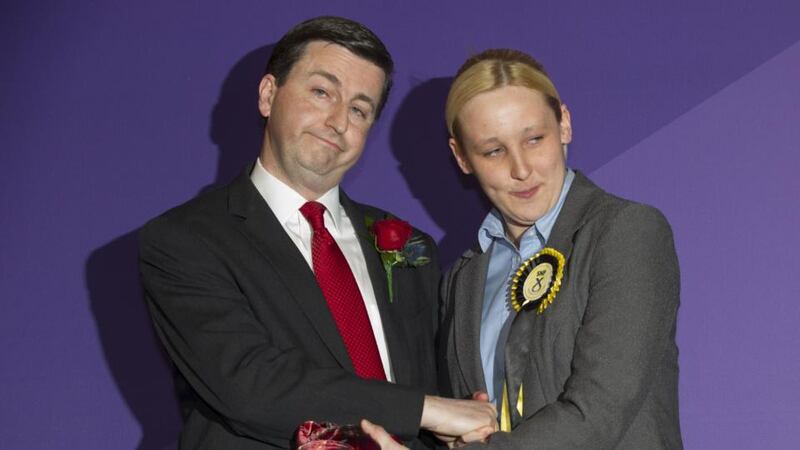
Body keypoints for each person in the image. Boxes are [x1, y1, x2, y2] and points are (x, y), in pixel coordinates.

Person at [139, 16, 496, 449]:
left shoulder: (409, 246)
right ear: (269, 95)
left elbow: (427, 381)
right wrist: (430, 409)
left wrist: (454, 436)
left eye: (359, 109)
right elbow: (252, 387)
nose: (338, 120)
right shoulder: (184, 240)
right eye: (322, 92)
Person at [364, 49, 682, 449]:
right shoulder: (462, 278)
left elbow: (596, 413)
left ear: (564, 124)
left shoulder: (626, 232)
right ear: (462, 157)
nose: (520, 168)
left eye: (534, 139)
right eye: (493, 151)